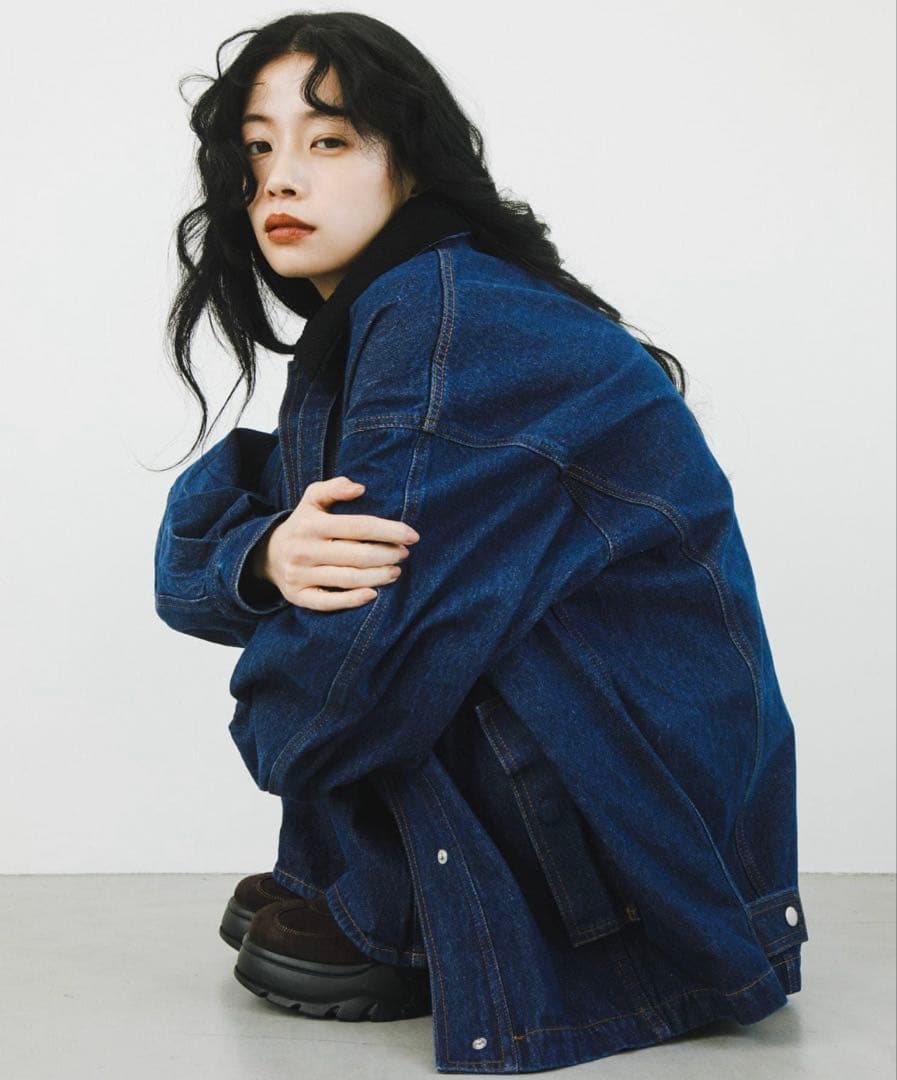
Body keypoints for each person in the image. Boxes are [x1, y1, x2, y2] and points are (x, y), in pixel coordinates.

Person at [153, 11, 808, 1075]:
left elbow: (368, 657)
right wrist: (266, 556)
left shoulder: (446, 315)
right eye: (257, 150)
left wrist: (281, 721)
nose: (279, 180)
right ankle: (367, 880)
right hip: (660, 814)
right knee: (384, 615)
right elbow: (214, 515)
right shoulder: (391, 312)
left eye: (328, 141)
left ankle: (401, 910)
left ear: (411, 162)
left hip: (657, 863)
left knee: (397, 639)